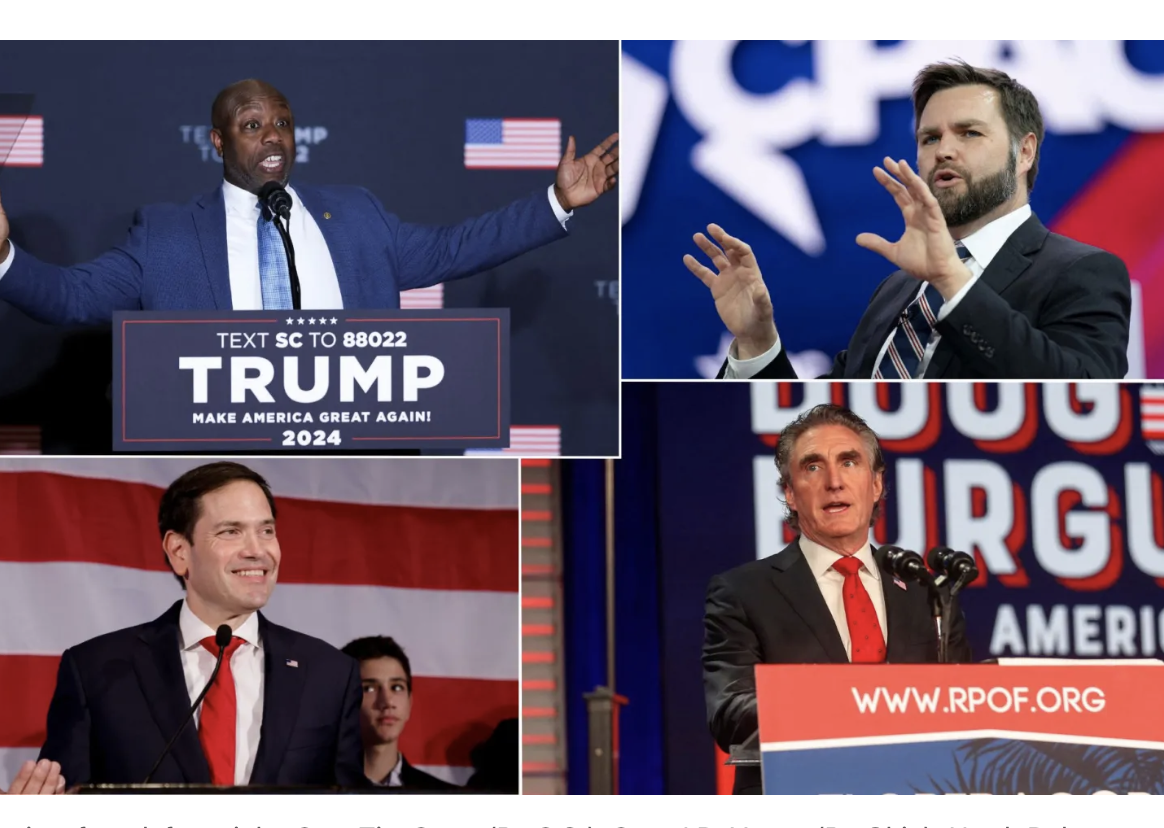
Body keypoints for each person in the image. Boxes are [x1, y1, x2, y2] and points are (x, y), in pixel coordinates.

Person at [0, 79, 618, 324]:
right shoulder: (165, 236)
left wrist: (556, 200)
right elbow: (73, 299)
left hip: (352, 449)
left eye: (283, 123)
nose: (273, 135)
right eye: (252, 125)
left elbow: (456, 248)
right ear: (217, 141)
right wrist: (4, 253)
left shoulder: (355, 216)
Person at [685, 61, 1130, 380]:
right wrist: (758, 341)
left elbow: (1084, 395)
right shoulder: (899, 290)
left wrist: (954, 282)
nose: (943, 151)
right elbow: (819, 426)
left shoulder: (1082, 271)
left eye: (969, 133)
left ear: (1025, 151)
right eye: (930, 137)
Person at [5, 461, 365, 793]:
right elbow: (64, 801)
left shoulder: (330, 673)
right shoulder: (96, 670)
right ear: (179, 551)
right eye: (231, 532)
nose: (258, 550)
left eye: (266, 530)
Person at [702, 404, 973, 795]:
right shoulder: (743, 592)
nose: (834, 481)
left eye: (849, 462)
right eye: (813, 467)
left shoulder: (925, 594)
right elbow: (730, 713)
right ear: (790, 494)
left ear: (876, 484)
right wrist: (847, 704)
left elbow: (964, 713)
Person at [341, 636, 456, 790]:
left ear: (410, 702)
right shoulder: (306, 791)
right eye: (368, 688)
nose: (387, 702)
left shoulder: (446, 798)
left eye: (396, 687)